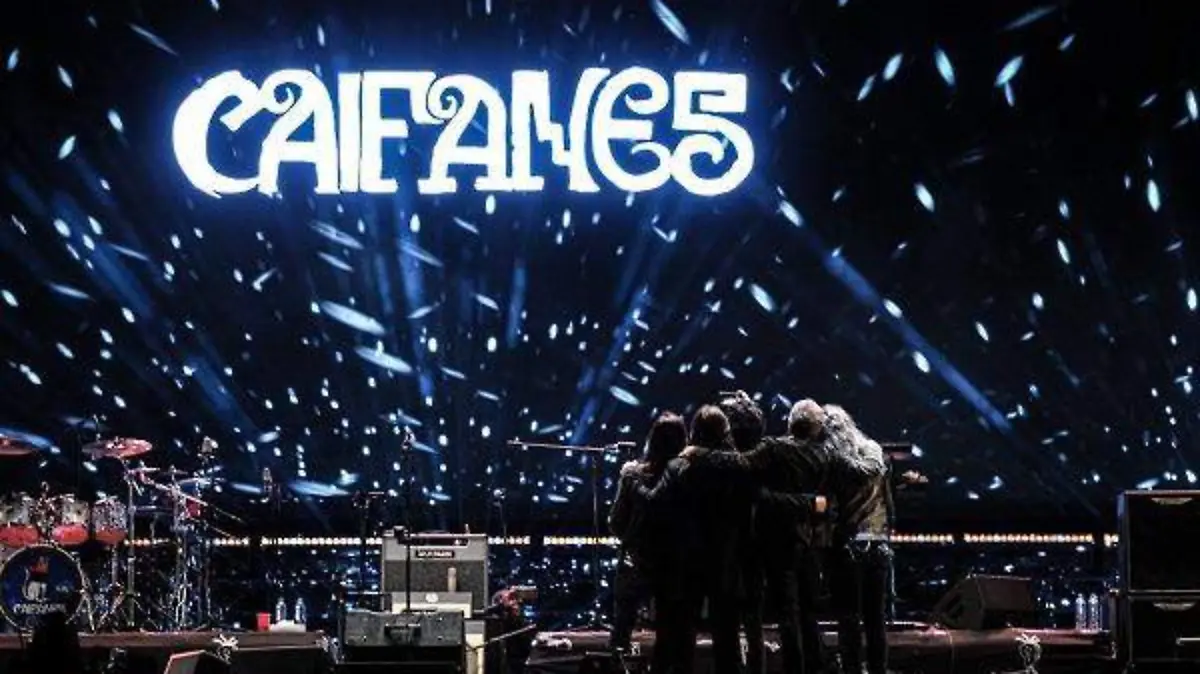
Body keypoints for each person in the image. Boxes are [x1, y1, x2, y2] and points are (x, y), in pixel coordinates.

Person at [683, 398, 833, 674]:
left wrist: (699, 453)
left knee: (758, 616)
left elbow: (748, 478)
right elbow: (825, 503)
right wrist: (811, 504)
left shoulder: (769, 452)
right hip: (796, 541)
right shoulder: (819, 455)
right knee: (789, 615)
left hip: (744, 547)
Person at [622, 405, 745, 674]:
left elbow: (653, 502)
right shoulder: (738, 467)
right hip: (727, 559)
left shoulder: (681, 466)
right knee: (727, 636)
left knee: (683, 634)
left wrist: (631, 480)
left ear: (695, 432)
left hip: (690, 561)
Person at [608, 411, 689, 655]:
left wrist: (632, 538)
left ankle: (617, 661)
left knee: (622, 626)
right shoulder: (687, 476)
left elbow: (616, 522)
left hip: (635, 560)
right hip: (673, 563)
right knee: (670, 630)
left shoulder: (632, 475)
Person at [821, 405, 891, 674]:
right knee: (876, 619)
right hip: (876, 541)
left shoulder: (831, 460)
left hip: (846, 546)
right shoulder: (873, 448)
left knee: (848, 618)